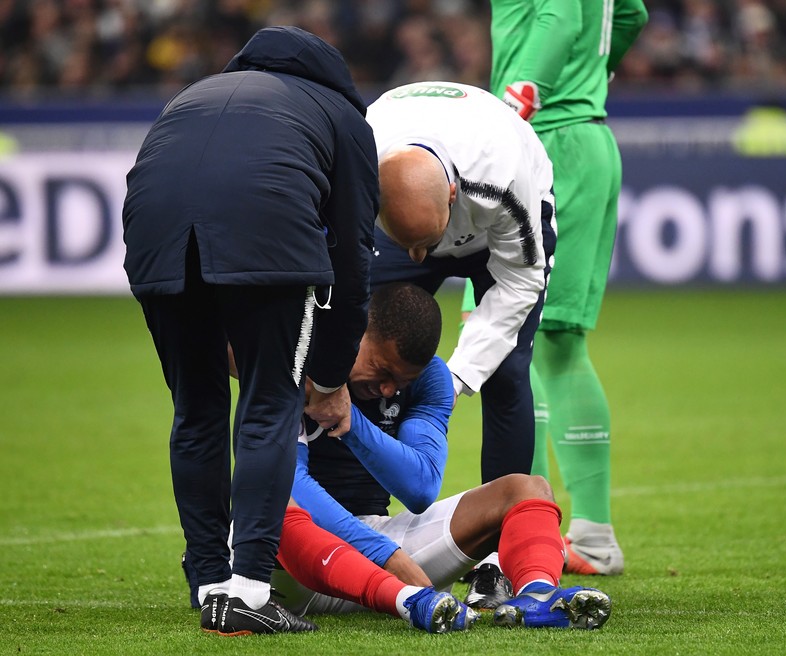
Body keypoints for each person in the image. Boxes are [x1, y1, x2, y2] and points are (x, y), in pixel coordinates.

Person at [122, 26, 378, 636]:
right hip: (265, 224)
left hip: (152, 237)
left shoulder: (196, 93)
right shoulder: (340, 113)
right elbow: (354, 252)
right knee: (270, 403)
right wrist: (331, 370)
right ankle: (248, 589)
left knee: (196, 406)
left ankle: (209, 579)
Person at [270, 282, 612, 631]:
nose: (388, 389)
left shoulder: (431, 377)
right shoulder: (299, 357)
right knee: (278, 506)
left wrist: (352, 422)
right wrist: (385, 555)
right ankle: (406, 597)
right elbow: (287, 482)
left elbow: (420, 488)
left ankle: (537, 596)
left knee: (527, 488)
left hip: (382, 551)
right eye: (382, 370)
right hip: (295, 567)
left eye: (401, 381)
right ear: (357, 332)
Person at [477, 0, 649, 579]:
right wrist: (594, 74)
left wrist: (520, 94)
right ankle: (578, 534)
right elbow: (630, 15)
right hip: (586, 138)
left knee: (513, 341)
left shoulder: (528, 111)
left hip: (543, 140)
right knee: (552, 344)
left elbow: (560, 18)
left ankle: (537, 534)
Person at [365, 80, 557, 489]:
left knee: (505, 371)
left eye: (427, 244)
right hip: (407, 207)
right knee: (365, 353)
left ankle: (506, 537)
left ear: (452, 195)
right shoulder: (359, 162)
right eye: (410, 246)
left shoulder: (502, 178)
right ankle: (357, 509)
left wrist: (455, 380)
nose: (420, 258)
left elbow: (521, 283)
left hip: (497, 235)